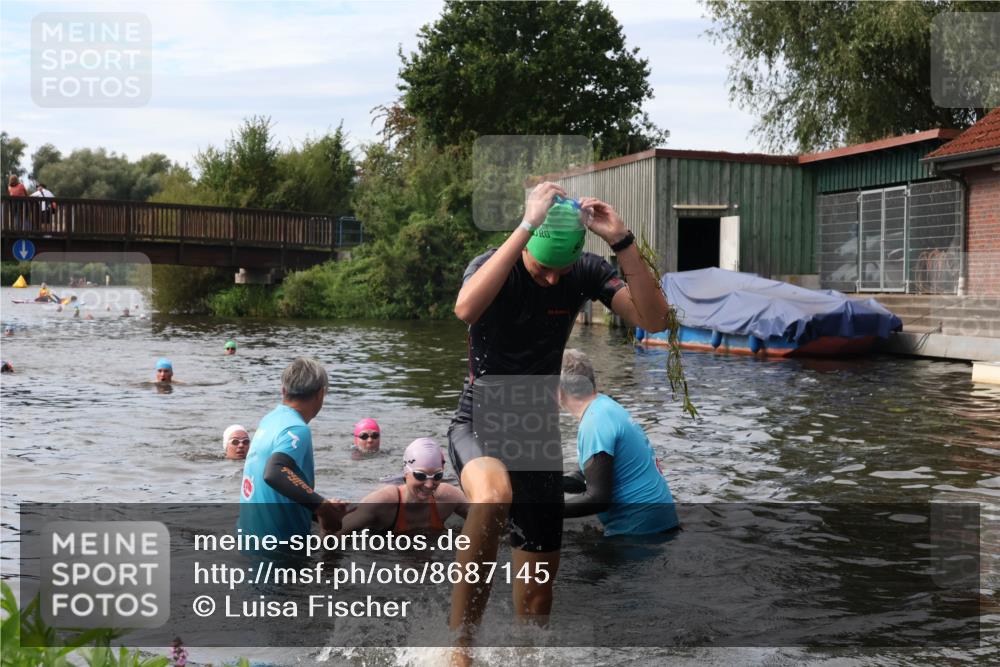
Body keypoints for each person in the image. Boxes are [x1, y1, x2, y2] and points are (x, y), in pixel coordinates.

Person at [446, 181, 670, 658]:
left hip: (536, 433)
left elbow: (655, 320)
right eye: (543, 268)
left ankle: (527, 657)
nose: (551, 280)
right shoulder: (494, 264)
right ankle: (460, 649)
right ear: (527, 244)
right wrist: (526, 226)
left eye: (560, 270)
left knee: (538, 598)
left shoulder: (585, 272)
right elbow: (465, 308)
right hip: (482, 415)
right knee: (493, 497)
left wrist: (622, 241)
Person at [559, 349, 678, 536]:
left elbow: (598, 499)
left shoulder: (595, 422)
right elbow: (588, 477)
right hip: (658, 522)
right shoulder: (604, 406)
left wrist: (541, 512)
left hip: (640, 531)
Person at [238, 357, 350, 543]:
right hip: (280, 548)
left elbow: (275, 488)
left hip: (249, 537)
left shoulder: (269, 420)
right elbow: (275, 473)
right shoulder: (297, 429)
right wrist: (322, 507)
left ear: (283, 391)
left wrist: (317, 509)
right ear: (321, 394)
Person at [340, 438, 468, 536]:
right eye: (420, 476)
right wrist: (329, 519)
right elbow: (332, 538)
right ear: (406, 473)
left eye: (437, 475)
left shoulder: (449, 497)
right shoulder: (383, 502)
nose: (430, 485)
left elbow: (485, 519)